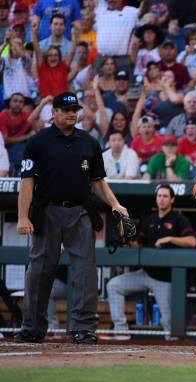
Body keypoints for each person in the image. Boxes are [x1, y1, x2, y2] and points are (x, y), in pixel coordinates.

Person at [14, 91, 129, 344]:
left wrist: (115, 204)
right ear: (53, 112)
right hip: (47, 211)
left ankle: (83, 327)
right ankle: (32, 327)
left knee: (85, 271)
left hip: (80, 211)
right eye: (65, 110)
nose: (71, 114)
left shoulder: (89, 142)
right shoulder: (38, 142)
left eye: (74, 110)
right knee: (39, 271)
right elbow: (27, 183)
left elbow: (98, 182)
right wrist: (23, 216)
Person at [101, 184, 196, 341]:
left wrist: (169, 238)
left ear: (172, 199)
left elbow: (192, 241)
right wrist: (128, 239)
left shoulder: (178, 219)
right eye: (159, 196)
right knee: (114, 285)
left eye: (165, 196)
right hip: (145, 273)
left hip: (164, 279)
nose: (162, 199)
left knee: (168, 323)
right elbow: (138, 245)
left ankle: (174, 350)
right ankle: (121, 331)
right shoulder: (150, 220)